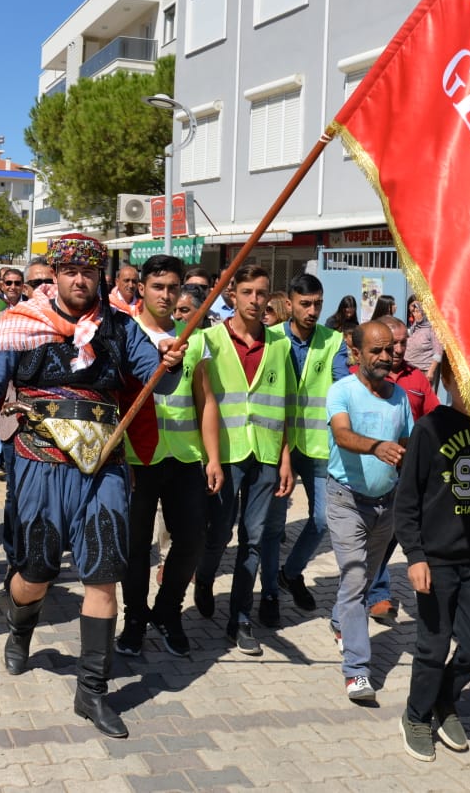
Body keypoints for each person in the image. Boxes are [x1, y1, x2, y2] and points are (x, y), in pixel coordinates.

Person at [0, 233, 187, 739]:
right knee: (36, 569)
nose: (79, 279)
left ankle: (93, 690)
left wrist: (170, 360)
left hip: (103, 465)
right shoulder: (20, 324)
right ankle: (20, 631)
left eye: (88, 271)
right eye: (68, 271)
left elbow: (159, 383)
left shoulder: (122, 328)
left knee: (103, 571)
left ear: (100, 276)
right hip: (38, 461)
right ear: (55, 274)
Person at [394, 353, 470, 762]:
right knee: (432, 645)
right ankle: (416, 714)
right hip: (436, 561)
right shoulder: (431, 428)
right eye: (464, 375)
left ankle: (444, 698)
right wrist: (415, 556)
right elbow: (407, 501)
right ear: (447, 376)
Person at [192, 264, 294, 657]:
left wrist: (284, 457)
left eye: (262, 293)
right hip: (227, 455)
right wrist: (211, 458)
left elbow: (286, 404)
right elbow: (202, 402)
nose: (255, 300)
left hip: (266, 454)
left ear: (270, 298)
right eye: (247, 292)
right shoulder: (210, 340)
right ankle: (204, 577)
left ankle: (240, 618)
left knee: (254, 538)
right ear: (232, 295)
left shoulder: (280, 345)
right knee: (219, 533)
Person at [115, 255, 207, 660]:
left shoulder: (196, 335)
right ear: (142, 289)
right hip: (137, 456)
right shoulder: (123, 333)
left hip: (185, 455)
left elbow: (207, 401)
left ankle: (168, 611)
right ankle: (134, 617)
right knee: (135, 547)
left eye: (173, 287)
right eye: (158, 286)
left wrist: (214, 458)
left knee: (190, 540)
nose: (166, 295)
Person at [326, 321, 413, 705]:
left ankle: (339, 621)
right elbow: (342, 434)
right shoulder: (341, 391)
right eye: (376, 351)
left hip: (387, 504)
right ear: (356, 353)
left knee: (359, 581)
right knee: (357, 578)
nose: (384, 357)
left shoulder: (400, 397)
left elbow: (409, 443)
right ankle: (357, 671)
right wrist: (376, 446)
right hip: (347, 500)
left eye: (389, 349)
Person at [262, 274, 350, 627]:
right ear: (290, 305)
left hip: (316, 445)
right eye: (305, 303)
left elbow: (342, 384)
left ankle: (291, 572)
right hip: (276, 444)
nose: (312, 310)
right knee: (272, 525)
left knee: (322, 520)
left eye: (317, 303)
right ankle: (269, 592)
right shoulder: (271, 339)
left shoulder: (333, 341)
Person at [363, 315, 442, 624]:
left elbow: (433, 417)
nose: (397, 349)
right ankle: (369, 592)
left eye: (402, 343)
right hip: (368, 472)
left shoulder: (417, 379)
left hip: (405, 473)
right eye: (392, 343)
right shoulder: (362, 376)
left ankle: (378, 593)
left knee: (391, 533)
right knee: (370, 538)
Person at [404, 297, 440, 377]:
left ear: (425, 312)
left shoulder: (433, 329)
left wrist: (430, 372)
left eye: (418, 312)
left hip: (423, 372)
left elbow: (438, 353)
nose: (415, 314)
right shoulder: (415, 326)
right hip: (409, 370)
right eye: (413, 312)